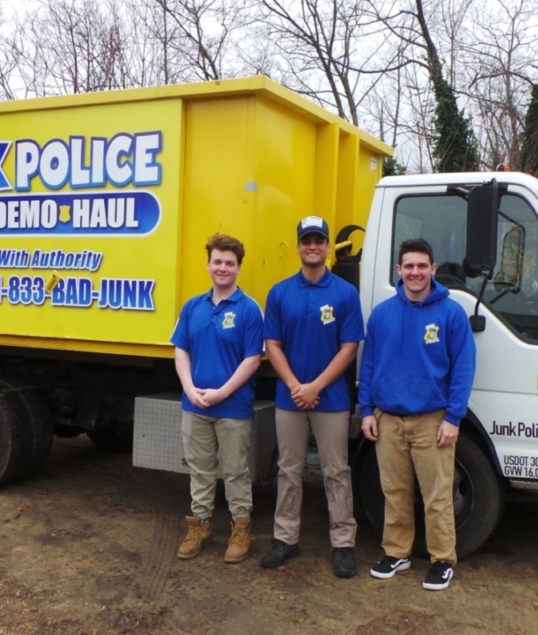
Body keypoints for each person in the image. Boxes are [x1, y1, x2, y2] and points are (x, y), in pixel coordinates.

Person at [360, 238, 476, 591]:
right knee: (394, 491)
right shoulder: (382, 313)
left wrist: (453, 418)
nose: (415, 272)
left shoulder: (451, 313)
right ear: (399, 270)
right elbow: (368, 365)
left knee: (437, 495)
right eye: (408, 266)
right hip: (388, 419)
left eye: (421, 266)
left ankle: (442, 559)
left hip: (432, 420)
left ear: (433, 269)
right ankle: (397, 553)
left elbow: (464, 368)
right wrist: (367, 411)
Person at [260, 216, 364, 577]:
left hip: (331, 399)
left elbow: (350, 347)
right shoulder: (280, 292)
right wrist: (294, 386)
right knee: (288, 469)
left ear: (326, 246)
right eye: (307, 240)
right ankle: (285, 538)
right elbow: (271, 344)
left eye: (319, 240)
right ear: (299, 245)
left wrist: (316, 386)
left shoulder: (345, 294)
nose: (313, 246)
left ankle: (344, 544)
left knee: (336, 470)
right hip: (290, 397)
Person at [171, 233, 264, 563]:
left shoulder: (250, 309)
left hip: (232, 407)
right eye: (217, 261)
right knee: (200, 469)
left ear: (239, 268)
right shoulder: (193, 306)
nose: (222, 268)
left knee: (236, 471)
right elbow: (181, 350)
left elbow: (253, 358)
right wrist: (189, 388)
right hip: (194, 405)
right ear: (208, 264)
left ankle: (240, 529)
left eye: (229, 263)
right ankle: (201, 526)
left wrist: (223, 392)